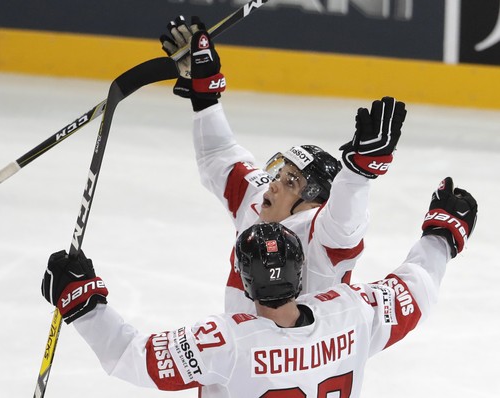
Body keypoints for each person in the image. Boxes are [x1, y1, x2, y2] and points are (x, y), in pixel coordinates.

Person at [41, 177, 477, 398]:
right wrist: (441, 236)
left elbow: (128, 357)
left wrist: (83, 303)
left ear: (243, 281)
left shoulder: (224, 342)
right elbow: (413, 289)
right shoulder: (350, 311)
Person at [159, 17, 408, 313]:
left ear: (313, 203)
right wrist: (205, 99)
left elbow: (346, 220)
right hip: (244, 350)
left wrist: (359, 174)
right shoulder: (259, 204)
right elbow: (220, 156)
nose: (274, 184)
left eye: (292, 182)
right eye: (281, 173)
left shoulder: (321, 237)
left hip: (309, 357)